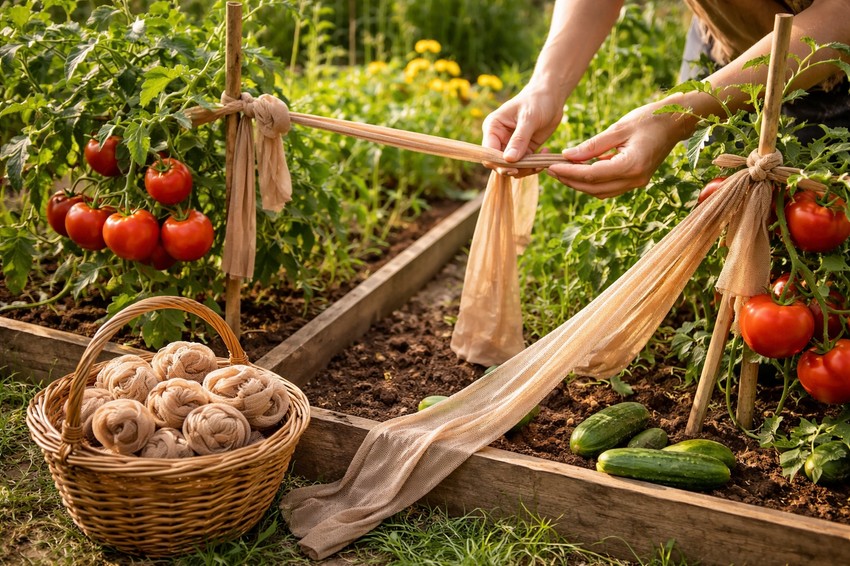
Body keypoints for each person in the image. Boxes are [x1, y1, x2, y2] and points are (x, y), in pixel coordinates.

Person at [482, 0, 850, 199]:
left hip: (834, 63)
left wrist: (676, 115)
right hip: (723, 35)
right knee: (709, 217)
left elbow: (841, 14)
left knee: (814, 252)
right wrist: (546, 86)